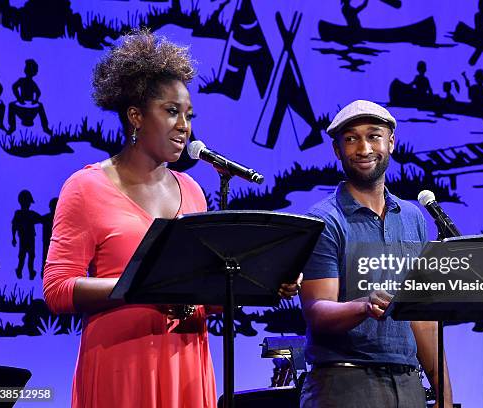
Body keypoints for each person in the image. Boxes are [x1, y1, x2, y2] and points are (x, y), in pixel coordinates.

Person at [43, 29, 300, 408]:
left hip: (187, 363)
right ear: (135, 117)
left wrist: (260, 280)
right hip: (122, 364)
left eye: (189, 115)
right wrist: (143, 285)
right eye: (171, 111)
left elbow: (205, 296)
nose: (184, 126)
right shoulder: (85, 188)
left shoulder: (192, 191)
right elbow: (58, 290)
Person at [299, 100, 452, 407]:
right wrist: (363, 306)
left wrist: (444, 393)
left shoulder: (413, 219)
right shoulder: (325, 220)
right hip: (343, 383)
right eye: (351, 139)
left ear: (391, 142)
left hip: (408, 384)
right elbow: (317, 311)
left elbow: (422, 319)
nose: (364, 148)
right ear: (337, 150)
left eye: (373, 136)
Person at [7, 59, 52, 135]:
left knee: (40, 106)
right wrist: (19, 98)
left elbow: (38, 92)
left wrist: (35, 100)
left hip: (29, 109)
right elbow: (14, 87)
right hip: (22, 106)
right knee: (11, 105)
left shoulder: (31, 83)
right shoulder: (22, 80)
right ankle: (12, 127)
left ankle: (45, 127)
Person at [12, 189, 42, 280]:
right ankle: (21, 270)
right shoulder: (21, 214)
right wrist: (13, 238)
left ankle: (29, 271)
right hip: (25, 238)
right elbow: (14, 226)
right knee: (24, 256)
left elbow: (41, 219)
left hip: (28, 238)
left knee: (30, 255)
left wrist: (13, 238)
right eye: (29, 202)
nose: (29, 204)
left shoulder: (28, 214)